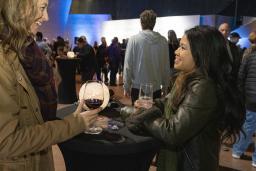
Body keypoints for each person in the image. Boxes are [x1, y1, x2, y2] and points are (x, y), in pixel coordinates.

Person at [126, 25, 245, 171]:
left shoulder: (204, 87)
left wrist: (142, 117)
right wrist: (150, 106)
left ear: (201, 53)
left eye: (182, 47)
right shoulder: (185, 78)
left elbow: (173, 132)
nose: (176, 51)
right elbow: (166, 102)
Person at [0, 0, 100, 170]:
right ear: (20, 7)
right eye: (42, 7)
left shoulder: (28, 50)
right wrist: (73, 124)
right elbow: (6, 143)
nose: (46, 17)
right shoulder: (4, 60)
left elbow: (34, 113)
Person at [123, 10, 171, 104]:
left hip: (137, 87)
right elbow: (166, 66)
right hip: (156, 88)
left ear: (141, 22)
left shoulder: (133, 40)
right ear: (154, 22)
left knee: (137, 117)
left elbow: (128, 65)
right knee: (154, 116)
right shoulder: (163, 41)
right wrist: (165, 86)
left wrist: (126, 86)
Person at [232, 31, 256, 167]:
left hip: (250, 97)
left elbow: (241, 76)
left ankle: (237, 150)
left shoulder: (248, 55)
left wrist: (242, 93)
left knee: (248, 125)